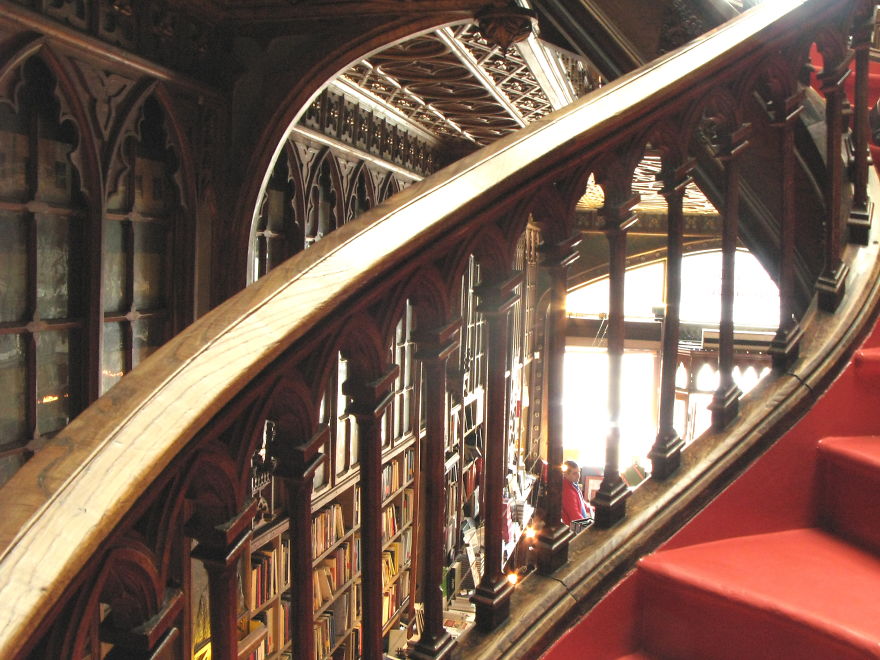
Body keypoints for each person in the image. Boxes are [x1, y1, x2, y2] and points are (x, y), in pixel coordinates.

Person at [561, 460, 593, 526]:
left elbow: (582, 504)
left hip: (581, 521)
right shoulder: (567, 491)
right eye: (574, 473)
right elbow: (575, 517)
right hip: (573, 530)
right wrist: (588, 528)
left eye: (579, 472)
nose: (578, 475)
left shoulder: (573, 484)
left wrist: (593, 509)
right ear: (566, 474)